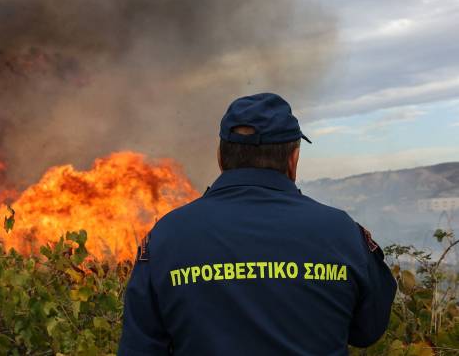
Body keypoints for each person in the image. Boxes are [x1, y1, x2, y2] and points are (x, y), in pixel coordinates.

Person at [118, 93, 397, 355]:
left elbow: (140, 347)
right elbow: (368, 332)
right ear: (293, 158)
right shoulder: (343, 233)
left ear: (220, 156)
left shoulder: (167, 236)